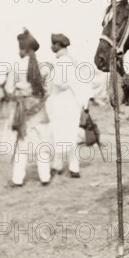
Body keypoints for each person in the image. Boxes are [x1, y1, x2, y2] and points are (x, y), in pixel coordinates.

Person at [5, 29, 51, 187]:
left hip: (23, 111)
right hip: (40, 112)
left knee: (22, 146)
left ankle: (18, 179)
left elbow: (9, 90)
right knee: (42, 144)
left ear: (22, 49)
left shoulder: (16, 67)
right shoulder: (43, 68)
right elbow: (48, 91)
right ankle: (45, 177)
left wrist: (19, 94)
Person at [47, 33, 92, 178]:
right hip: (72, 103)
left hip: (63, 103)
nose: (51, 46)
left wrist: (50, 79)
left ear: (59, 45)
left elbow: (61, 83)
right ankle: (73, 167)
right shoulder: (71, 61)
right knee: (70, 135)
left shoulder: (63, 62)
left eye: (53, 44)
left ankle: (59, 165)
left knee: (59, 134)